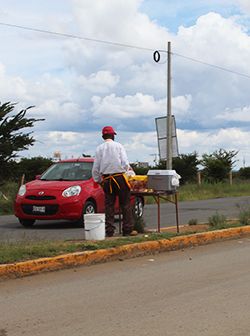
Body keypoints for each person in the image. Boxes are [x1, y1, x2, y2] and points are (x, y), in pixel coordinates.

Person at [92, 126, 134, 237]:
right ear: (113, 135)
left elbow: (95, 168)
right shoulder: (119, 146)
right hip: (119, 177)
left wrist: (99, 180)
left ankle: (109, 231)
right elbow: (125, 163)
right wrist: (129, 172)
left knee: (109, 205)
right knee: (125, 204)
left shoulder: (99, 149)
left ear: (103, 136)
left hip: (106, 179)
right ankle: (127, 230)